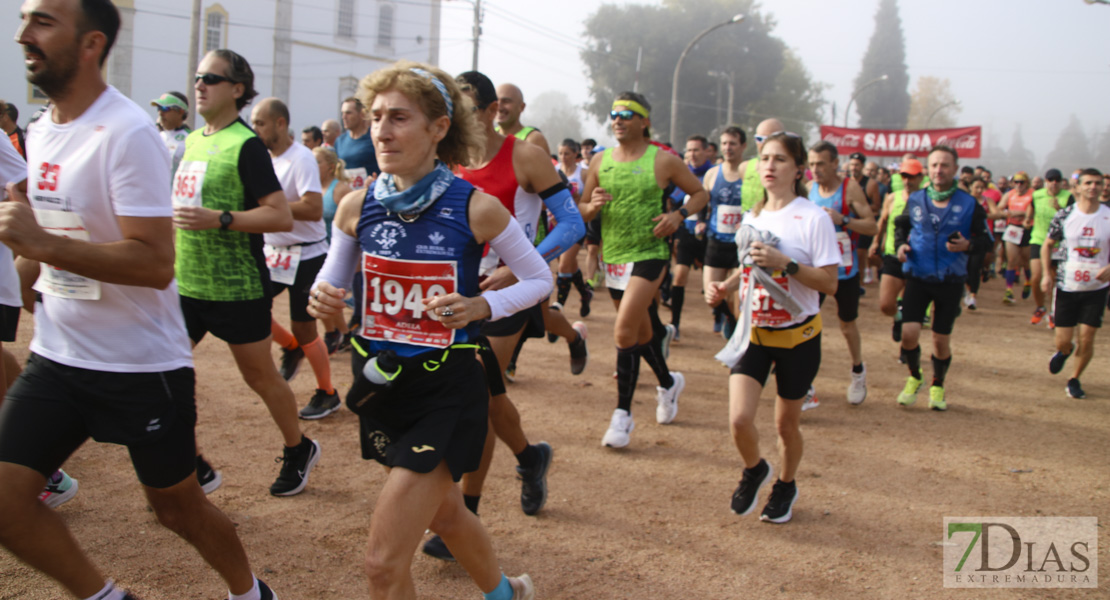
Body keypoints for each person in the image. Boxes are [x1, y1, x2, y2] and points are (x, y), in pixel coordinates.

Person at [0, 2, 277, 598]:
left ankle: (251, 593)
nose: (25, 32)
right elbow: (57, 239)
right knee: (4, 501)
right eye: (25, 17)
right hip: (58, 355)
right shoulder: (42, 129)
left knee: (177, 511)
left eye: (44, 20)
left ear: (91, 42)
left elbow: (153, 264)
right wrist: (31, 268)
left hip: (138, 366)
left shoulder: (126, 132)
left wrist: (40, 243)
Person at [308, 60, 538, 600]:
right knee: (448, 516)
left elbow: (536, 278)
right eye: (376, 116)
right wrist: (323, 299)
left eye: (399, 118)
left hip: (447, 391)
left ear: (439, 128)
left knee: (382, 565)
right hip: (384, 386)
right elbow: (330, 283)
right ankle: (509, 594)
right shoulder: (355, 206)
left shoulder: (476, 207)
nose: (381, 131)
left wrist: (481, 306)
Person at [173, 49, 320, 496]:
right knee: (163, 373)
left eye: (210, 78)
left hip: (237, 287)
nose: (199, 85)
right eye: (197, 76)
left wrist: (221, 218)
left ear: (237, 89)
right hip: (187, 284)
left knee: (259, 378)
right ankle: (189, 461)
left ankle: (298, 447)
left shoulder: (247, 145)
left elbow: (278, 216)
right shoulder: (192, 140)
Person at [706, 131, 839, 524]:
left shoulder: (813, 218)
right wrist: (725, 285)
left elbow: (830, 283)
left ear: (798, 169)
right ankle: (754, 469)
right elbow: (750, 268)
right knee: (738, 420)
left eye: (780, 159)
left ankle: (785, 484)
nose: (769, 166)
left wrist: (787, 263)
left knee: (786, 425)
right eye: (765, 158)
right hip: (753, 335)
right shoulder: (754, 214)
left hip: (799, 338)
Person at [580, 91, 706, 448]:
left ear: (643, 121)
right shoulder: (600, 161)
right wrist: (593, 207)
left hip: (650, 252)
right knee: (643, 332)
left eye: (626, 114)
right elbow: (583, 207)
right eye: (614, 114)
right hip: (615, 256)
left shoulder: (663, 160)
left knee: (623, 332)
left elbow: (699, 194)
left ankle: (622, 417)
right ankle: (668, 383)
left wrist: (677, 215)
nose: (617, 119)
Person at [248, 98, 340, 420]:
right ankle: (289, 347)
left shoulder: (300, 158)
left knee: (306, 330)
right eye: (253, 123)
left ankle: (327, 393)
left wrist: (271, 209)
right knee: (250, 305)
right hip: (273, 253)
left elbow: (313, 208)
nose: (255, 128)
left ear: (280, 124)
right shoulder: (260, 157)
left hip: (306, 255)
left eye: (260, 123)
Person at [893, 146, 993, 411]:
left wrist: (968, 246)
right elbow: (901, 226)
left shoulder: (969, 204)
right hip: (918, 275)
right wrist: (901, 245)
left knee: (940, 339)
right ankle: (915, 377)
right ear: (928, 168)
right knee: (909, 333)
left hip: (951, 280)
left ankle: (937, 384)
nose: (939, 170)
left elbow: (986, 241)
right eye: (935, 164)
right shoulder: (916, 199)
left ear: (956, 170)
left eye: (945, 165)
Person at [806, 141, 877, 405]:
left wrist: (844, 220)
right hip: (816, 270)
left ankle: (858, 370)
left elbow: (871, 226)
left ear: (835, 163)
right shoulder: (808, 189)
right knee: (807, 324)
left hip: (845, 272)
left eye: (821, 164)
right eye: (812, 164)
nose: (816, 169)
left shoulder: (850, 188)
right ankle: (805, 383)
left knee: (847, 325)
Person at [1041, 169, 1109, 399]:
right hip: (1067, 286)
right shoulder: (1065, 215)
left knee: (1088, 337)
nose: (1093, 187)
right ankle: (1063, 352)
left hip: (1096, 288)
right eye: (1088, 183)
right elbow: (1047, 245)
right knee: (1064, 341)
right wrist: (1046, 275)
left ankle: (1075, 378)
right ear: (1077, 187)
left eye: (1098, 183)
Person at [871, 158, 924, 341]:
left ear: (921, 178)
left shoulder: (927, 200)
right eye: (904, 177)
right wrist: (876, 242)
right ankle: (898, 318)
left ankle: (907, 346)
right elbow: (883, 220)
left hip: (917, 258)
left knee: (911, 306)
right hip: (893, 254)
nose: (907, 181)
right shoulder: (893, 197)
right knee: (886, 304)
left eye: (912, 177)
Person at [702, 127, 746, 339]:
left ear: (743, 146)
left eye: (733, 143)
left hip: (741, 245)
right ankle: (728, 317)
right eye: (725, 143)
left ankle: (737, 342)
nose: (728, 148)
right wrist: (701, 222)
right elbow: (702, 202)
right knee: (712, 297)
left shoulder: (751, 175)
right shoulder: (712, 174)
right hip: (717, 241)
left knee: (739, 301)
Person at [668, 135, 714, 339]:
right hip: (686, 232)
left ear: (707, 152)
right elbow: (673, 200)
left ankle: (723, 315)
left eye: (696, 150)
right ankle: (675, 324)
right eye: (688, 150)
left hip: (710, 237)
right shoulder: (682, 174)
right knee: (679, 277)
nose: (692, 154)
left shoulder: (713, 175)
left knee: (713, 286)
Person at [314, 146, 354, 353]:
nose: (312, 166)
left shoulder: (340, 190)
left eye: (317, 162)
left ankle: (342, 332)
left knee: (329, 297)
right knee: (317, 296)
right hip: (314, 250)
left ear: (330, 167)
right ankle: (335, 332)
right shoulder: (309, 188)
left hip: (335, 254)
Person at [553, 138, 594, 317]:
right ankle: (585, 295)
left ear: (575, 154)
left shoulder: (584, 173)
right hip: (556, 224)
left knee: (563, 265)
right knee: (569, 264)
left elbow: (588, 200)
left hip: (577, 224)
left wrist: (577, 199)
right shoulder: (554, 172)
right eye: (561, 153)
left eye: (567, 153)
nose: (563, 157)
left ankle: (558, 306)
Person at [1026, 168, 1072, 325]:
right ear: (1046, 182)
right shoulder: (1037, 195)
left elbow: (1073, 220)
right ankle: (1040, 307)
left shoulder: (1067, 197)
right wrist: (1027, 218)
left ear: (1061, 182)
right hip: (1038, 239)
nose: (1054, 183)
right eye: (1050, 180)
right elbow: (1031, 206)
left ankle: (1053, 311)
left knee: (1053, 279)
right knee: (1036, 276)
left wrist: (1060, 210)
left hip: (1058, 243)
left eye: (1057, 180)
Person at [997, 172, 1035, 304]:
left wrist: (1022, 214)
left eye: (1022, 182)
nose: (1019, 185)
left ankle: (1028, 282)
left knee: (1026, 261)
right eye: (1016, 182)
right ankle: (1009, 290)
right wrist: (1006, 213)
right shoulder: (1009, 194)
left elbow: (1036, 210)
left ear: (1027, 183)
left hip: (1028, 229)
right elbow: (999, 208)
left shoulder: (1032, 194)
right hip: (1012, 228)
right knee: (1012, 260)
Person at [963, 178, 1001, 310]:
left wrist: (982, 216)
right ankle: (967, 290)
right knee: (966, 267)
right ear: (970, 187)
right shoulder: (965, 201)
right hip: (965, 238)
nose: (979, 190)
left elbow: (996, 214)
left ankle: (973, 296)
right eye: (976, 187)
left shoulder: (987, 201)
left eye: (981, 188)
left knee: (975, 267)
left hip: (982, 237)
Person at [844, 151, 881, 284]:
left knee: (860, 253)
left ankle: (860, 281)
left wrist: (857, 207)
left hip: (862, 223)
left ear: (862, 166)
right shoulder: (843, 181)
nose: (854, 168)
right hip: (846, 224)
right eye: (852, 165)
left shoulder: (871, 184)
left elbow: (876, 206)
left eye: (857, 165)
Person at [738, 118, 785, 213]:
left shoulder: (788, 169)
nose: (763, 143)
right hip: (749, 224)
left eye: (768, 139)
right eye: (759, 139)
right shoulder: (744, 167)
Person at [336, 97, 379, 189]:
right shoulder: (340, 141)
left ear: (361, 114)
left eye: (348, 113)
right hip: (347, 195)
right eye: (342, 113)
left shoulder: (374, 137)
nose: (344, 117)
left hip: (370, 195)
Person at [495, 83, 549, 154]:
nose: (499, 107)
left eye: (506, 101)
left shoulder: (533, 139)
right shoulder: (487, 137)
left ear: (522, 107)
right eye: (495, 101)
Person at [150, 91, 191, 182]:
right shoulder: (156, 136)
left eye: (165, 108)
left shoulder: (191, 139)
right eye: (159, 108)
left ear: (180, 112)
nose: (160, 113)